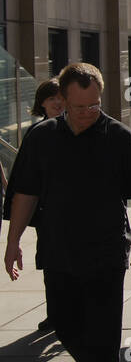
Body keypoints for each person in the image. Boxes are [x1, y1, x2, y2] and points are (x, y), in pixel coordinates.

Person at [4, 62, 131, 362]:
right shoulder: (42, 139)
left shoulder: (120, 139)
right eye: (79, 106)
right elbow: (25, 194)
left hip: (107, 252)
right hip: (57, 251)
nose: (88, 112)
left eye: (94, 105)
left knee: (104, 340)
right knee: (67, 326)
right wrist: (13, 241)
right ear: (61, 101)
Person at [2, 79, 66, 334]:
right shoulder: (36, 134)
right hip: (47, 212)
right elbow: (25, 179)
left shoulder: (78, 130)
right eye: (52, 99)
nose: (57, 102)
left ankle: (73, 312)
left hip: (76, 211)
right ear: (42, 103)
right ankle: (56, 314)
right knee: (51, 263)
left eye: (61, 97)